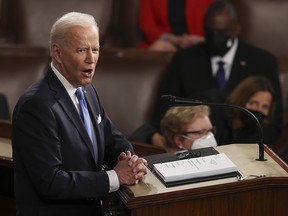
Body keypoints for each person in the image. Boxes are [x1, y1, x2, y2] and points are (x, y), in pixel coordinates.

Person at [12, 12, 147, 216]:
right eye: (82, 50)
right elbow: (50, 182)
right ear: (58, 53)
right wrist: (115, 177)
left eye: (95, 49)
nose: (91, 59)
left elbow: (112, 139)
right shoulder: (37, 105)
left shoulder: (87, 90)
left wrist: (131, 161)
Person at [154, 0, 283, 146]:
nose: (215, 38)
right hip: (194, 149)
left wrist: (237, 150)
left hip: (245, 149)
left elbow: (274, 123)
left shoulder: (262, 62)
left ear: (235, 30)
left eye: (221, 32)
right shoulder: (184, 60)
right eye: (209, 32)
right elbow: (165, 111)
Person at [218, 76, 276, 144]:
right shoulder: (216, 119)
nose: (259, 110)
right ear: (241, 99)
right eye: (254, 103)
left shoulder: (258, 135)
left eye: (265, 107)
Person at [139, 0, 214, 51]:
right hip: (167, 43)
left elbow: (219, 24)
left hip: (199, 42)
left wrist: (201, 39)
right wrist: (171, 39)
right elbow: (147, 26)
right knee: (159, 47)